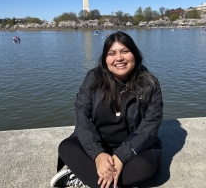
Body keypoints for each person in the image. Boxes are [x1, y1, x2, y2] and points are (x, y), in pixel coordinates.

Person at [50, 31, 163, 188]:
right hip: (99, 143)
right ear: (105, 58)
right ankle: (110, 181)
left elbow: (150, 126)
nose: (119, 58)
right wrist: (97, 154)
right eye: (112, 53)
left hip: (132, 147)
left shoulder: (150, 84)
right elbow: (82, 118)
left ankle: (85, 177)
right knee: (67, 147)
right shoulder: (93, 78)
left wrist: (121, 157)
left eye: (125, 51)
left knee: (147, 165)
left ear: (134, 54)